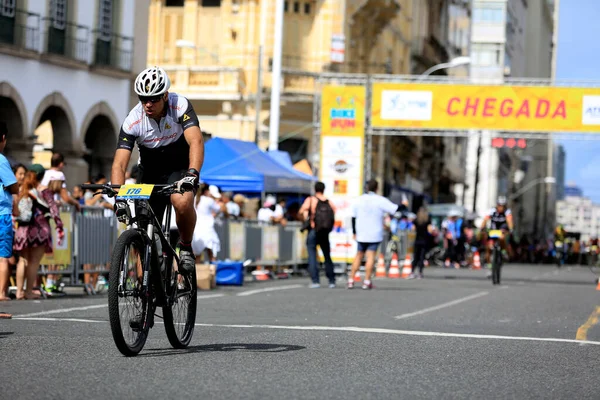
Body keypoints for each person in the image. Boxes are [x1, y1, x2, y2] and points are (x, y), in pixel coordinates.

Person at [110, 66, 204, 276]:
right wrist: (118, 196)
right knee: (141, 226)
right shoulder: (133, 119)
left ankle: (186, 247)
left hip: (178, 168)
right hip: (150, 170)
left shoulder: (179, 105)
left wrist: (192, 174)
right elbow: (119, 164)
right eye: (143, 99)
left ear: (165, 95)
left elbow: (196, 141)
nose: (148, 104)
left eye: (153, 99)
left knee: (182, 201)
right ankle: (149, 279)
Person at [13, 165, 64, 300]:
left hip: (23, 228)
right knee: (34, 261)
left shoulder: (22, 188)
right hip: (40, 230)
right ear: (42, 176)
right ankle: (28, 291)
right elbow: (53, 210)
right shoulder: (44, 190)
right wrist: (59, 227)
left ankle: (19, 292)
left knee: (22, 260)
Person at [348, 179, 398, 290]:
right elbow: (395, 209)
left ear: (366, 188)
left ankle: (351, 280)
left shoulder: (358, 200)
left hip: (361, 232)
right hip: (374, 232)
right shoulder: (380, 200)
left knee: (359, 255)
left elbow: (353, 217)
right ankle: (366, 281)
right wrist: (403, 205)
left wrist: (354, 232)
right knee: (370, 256)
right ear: (377, 188)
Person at [299, 181, 337, 288]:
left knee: (312, 255)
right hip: (324, 232)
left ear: (315, 189)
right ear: (324, 189)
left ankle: (315, 280)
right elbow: (334, 212)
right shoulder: (328, 202)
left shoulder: (311, 200)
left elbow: (302, 212)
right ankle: (331, 280)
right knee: (327, 256)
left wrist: (306, 220)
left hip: (313, 230)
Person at [0, 122, 19, 303]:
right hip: (1, 214)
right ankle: (1, 293)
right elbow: (13, 186)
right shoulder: (1, 160)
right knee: (3, 257)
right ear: (3, 138)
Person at [192, 184, 224, 263]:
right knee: (211, 253)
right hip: (207, 228)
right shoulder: (209, 200)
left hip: (197, 228)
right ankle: (213, 272)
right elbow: (219, 208)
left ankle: (197, 274)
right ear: (206, 191)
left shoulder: (194, 199)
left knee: (197, 255)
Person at [480, 196, 514, 268]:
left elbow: (509, 220)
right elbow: (485, 219)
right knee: (489, 247)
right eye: (499, 205)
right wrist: (482, 227)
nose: (501, 207)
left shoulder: (507, 211)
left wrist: (511, 228)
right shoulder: (492, 211)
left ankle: (503, 251)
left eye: (502, 206)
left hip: (502, 229)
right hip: (493, 229)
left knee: (502, 237)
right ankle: (489, 266)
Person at [409, 207, 433, 279]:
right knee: (422, 257)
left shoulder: (416, 220)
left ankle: (412, 272)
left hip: (417, 240)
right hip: (424, 240)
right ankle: (420, 272)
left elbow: (412, 229)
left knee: (415, 257)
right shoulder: (427, 220)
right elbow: (430, 230)